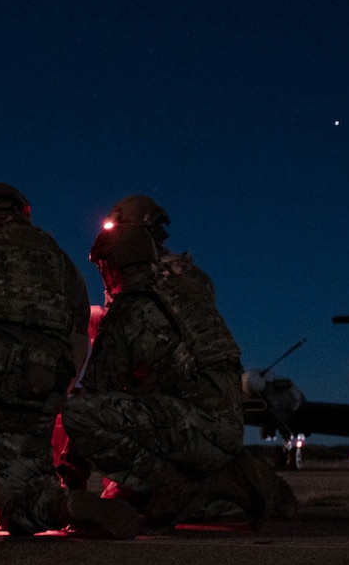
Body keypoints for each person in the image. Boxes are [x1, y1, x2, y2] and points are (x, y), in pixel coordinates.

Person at [0, 183, 139, 539]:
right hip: (39, 397)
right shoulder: (61, 261)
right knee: (20, 501)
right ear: (24, 213)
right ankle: (62, 505)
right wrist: (53, 395)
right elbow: (78, 339)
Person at [63, 218, 288, 530]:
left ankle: (171, 485)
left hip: (189, 430)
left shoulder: (129, 310)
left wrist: (71, 474)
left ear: (110, 266)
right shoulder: (188, 297)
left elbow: (98, 392)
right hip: (227, 429)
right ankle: (225, 476)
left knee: (78, 413)